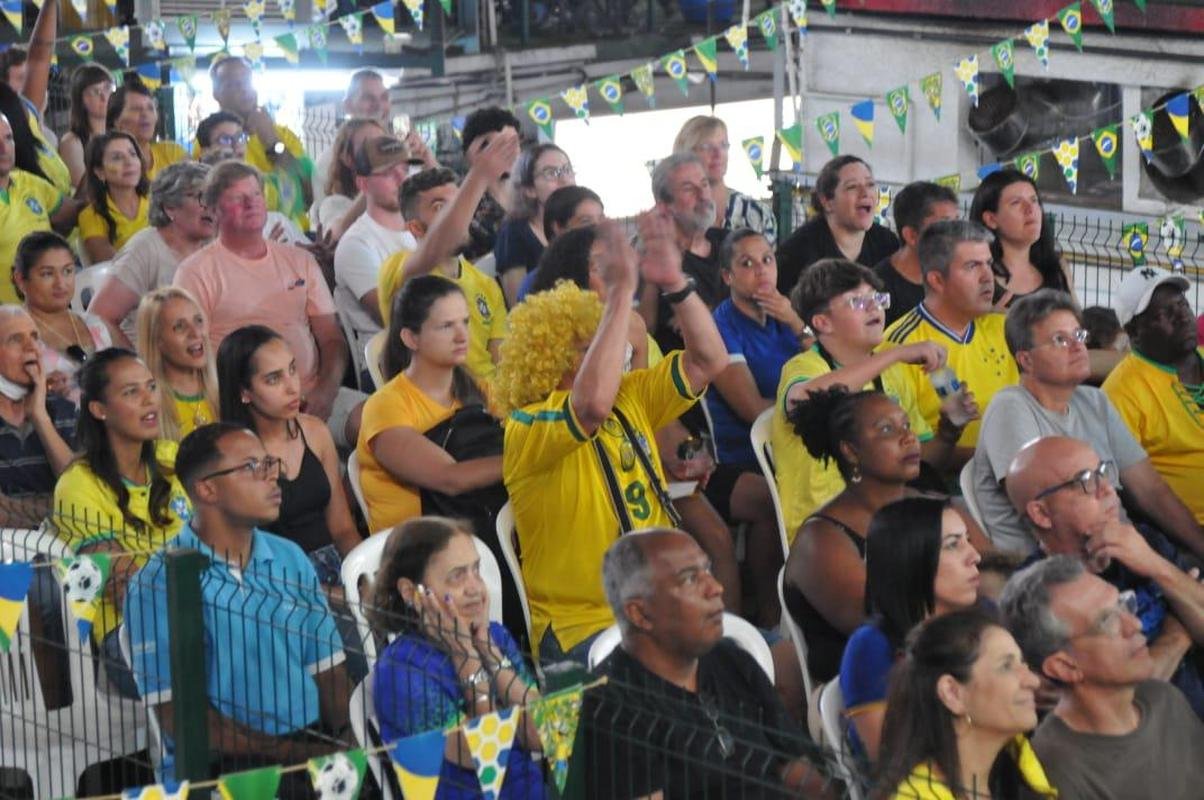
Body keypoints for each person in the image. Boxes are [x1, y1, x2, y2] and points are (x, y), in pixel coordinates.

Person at [496, 212, 729, 664]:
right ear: (553, 356)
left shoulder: (631, 397)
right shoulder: (526, 426)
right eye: (594, 344)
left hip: (662, 607)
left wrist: (674, 282)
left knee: (754, 666)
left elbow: (708, 361)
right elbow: (589, 407)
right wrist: (623, 291)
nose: (617, 349)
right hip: (584, 629)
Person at [123, 422, 350, 787]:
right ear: (207, 488)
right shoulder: (158, 584)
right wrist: (293, 756)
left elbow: (330, 673)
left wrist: (347, 742)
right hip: (220, 767)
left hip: (310, 744)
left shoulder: (289, 557)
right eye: (252, 467)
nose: (272, 478)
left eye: (269, 464)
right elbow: (182, 719)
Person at [584, 529, 831, 799]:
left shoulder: (732, 660)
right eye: (690, 578)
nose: (715, 587)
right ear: (640, 613)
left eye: (707, 570)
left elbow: (797, 770)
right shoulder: (608, 705)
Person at [973, 290, 1204, 557]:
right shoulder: (1011, 407)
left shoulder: (1094, 401)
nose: (1078, 346)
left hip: (1121, 551)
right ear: (1026, 360)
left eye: (1079, 335)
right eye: (1060, 340)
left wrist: (1199, 545)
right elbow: (1053, 518)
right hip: (1057, 570)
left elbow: (1151, 490)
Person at [1005, 436, 1204, 716]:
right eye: (1085, 481)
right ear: (1042, 513)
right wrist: (1179, 635)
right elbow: (1118, 708)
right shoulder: (1038, 596)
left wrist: (1155, 565)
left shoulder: (1144, 542)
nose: (1107, 489)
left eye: (1102, 472)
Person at [771, 259, 961, 538]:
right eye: (858, 301)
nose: (875, 307)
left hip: (885, 514)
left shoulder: (891, 372)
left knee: (960, 521)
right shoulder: (805, 368)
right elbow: (802, 401)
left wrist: (949, 430)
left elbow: (921, 461)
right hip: (822, 528)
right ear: (823, 322)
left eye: (877, 298)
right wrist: (893, 354)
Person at [173, 161, 358, 445]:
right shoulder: (196, 272)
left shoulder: (300, 261)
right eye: (237, 198)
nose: (252, 203)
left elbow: (332, 338)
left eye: (256, 194)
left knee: (381, 424)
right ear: (212, 211)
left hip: (311, 395)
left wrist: (326, 390)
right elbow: (189, 356)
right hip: (244, 407)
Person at [369, 516, 545, 799]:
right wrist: (467, 657)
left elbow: (543, 736)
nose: (475, 587)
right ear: (410, 593)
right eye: (457, 576)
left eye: (476, 570)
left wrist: (488, 650)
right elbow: (485, 758)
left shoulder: (495, 637)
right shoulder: (400, 670)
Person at [1001, 556, 1204, 800]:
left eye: (1123, 603)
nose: (1135, 624)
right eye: (1108, 621)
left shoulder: (1163, 698)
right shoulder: (1054, 775)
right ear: (1064, 666)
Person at [52, 348, 191, 693]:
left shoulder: (172, 457)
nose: (149, 400)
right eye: (131, 392)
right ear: (99, 410)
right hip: (130, 632)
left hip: (207, 610)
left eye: (150, 387)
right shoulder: (78, 485)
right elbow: (127, 590)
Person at [782, 386, 930, 684]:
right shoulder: (821, 541)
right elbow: (888, 626)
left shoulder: (930, 504)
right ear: (851, 450)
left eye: (906, 425)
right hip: (877, 690)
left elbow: (1001, 572)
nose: (908, 437)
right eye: (887, 430)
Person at [840, 497, 981, 762]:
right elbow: (890, 761)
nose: (975, 556)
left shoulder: (985, 620)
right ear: (912, 557)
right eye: (953, 545)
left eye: (968, 540)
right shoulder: (871, 647)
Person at [216, 325, 361, 583]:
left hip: (334, 568)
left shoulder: (315, 431)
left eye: (292, 369)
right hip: (279, 584)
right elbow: (248, 561)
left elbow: (343, 528)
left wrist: (363, 581)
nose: (292, 387)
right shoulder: (233, 458)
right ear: (244, 392)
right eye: (273, 379)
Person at [358, 276, 500, 534]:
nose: (462, 336)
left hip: (475, 532)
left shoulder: (479, 390)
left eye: (465, 322)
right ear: (411, 338)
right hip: (415, 554)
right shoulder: (386, 406)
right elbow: (451, 478)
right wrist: (530, 458)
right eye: (446, 326)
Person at [875, 609, 1054, 800]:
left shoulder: (1016, 766)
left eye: (1023, 663)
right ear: (953, 694)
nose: (1033, 681)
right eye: (1006, 667)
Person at [376, 146, 515, 384]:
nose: (458, 215)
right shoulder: (401, 268)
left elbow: (502, 365)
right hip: (436, 407)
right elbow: (436, 247)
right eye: (441, 208)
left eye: (458, 205)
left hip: (492, 407)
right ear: (416, 228)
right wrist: (479, 176)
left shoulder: (486, 285)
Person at [879, 219, 1019, 452]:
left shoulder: (1005, 328)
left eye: (988, 264)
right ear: (937, 280)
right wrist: (997, 462)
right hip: (944, 484)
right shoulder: (900, 346)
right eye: (973, 266)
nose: (988, 277)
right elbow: (905, 453)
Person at [1102, 267, 1204, 527]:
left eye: (1182, 305)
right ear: (1134, 332)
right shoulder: (1121, 393)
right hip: (1187, 532)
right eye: (1164, 314)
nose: (1182, 317)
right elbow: (1134, 493)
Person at [706, 228, 805, 465]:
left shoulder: (786, 311)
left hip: (801, 441)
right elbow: (755, 410)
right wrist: (817, 401)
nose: (761, 270)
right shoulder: (720, 327)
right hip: (752, 459)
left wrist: (795, 322)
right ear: (728, 276)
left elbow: (830, 364)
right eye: (747, 263)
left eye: (767, 259)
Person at [90, 162, 214, 347]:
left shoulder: (214, 245)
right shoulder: (145, 249)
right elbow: (99, 317)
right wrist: (138, 367)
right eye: (200, 197)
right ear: (170, 207)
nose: (211, 206)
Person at [639, 152, 729, 354]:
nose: (703, 195)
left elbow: (759, 309)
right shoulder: (653, 254)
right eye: (689, 188)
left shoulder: (730, 242)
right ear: (665, 204)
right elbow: (643, 330)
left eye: (704, 184)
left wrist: (698, 316)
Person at [209, 56, 313, 232]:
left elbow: (308, 193)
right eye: (233, 84)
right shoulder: (213, 139)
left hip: (297, 237)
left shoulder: (282, 134)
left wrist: (272, 141)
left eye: (247, 80)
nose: (244, 89)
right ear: (217, 95)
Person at [776, 156, 899, 294]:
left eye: (870, 185)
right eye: (852, 187)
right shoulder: (797, 252)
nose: (865, 193)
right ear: (827, 202)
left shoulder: (887, 243)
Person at [333, 135, 416, 338]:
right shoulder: (356, 244)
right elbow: (394, 317)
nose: (402, 180)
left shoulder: (422, 227)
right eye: (388, 173)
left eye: (405, 169)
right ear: (363, 184)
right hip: (388, 362)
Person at [14, 231, 112, 401]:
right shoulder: (10, 335)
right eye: (47, 274)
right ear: (21, 280)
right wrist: (38, 390)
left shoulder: (94, 324)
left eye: (67, 271)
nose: (60, 283)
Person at [0, 306, 74, 524]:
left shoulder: (64, 411)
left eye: (35, 337)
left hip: (66, 549)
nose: (31, 347)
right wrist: (55, 510)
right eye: (15, 339)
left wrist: (40, 417)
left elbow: (83, 496)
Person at [0, 113, 80, 304]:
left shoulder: (28, 182)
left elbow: (74, 213)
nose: (3, 148)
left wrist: (97, 176)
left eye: (8, 138)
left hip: (52, 308)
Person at [968, 170, 1071, 309]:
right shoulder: (976, 275)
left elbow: (1079, 327)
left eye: (1034, 200)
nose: (1030, 209)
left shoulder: (1057, 269)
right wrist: (988, 324)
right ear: (991, 219)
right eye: (1016, 202)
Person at [674, 115, 777, 244]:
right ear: (686, 155)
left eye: (723, 145)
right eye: (706, 147)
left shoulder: (756, 212)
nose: (718, 154)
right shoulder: (671, 215)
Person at [494, 143, 575, 306]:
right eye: (551, 173)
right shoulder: (513, 232)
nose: (565, 180)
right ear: (529, 189)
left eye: (567, 170)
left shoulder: (581, 223)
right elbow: (518, 307)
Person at [134, 287, 219, 442]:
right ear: (156, 340)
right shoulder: (148, 408)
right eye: (180, 326)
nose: (196, 333)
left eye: (198, 321)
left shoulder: (226, 392)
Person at [872, 181, 959, 327]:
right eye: (945, 226)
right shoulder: (877, 289)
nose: (958, 233)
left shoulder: (958, 276)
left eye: (958, 223)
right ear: (912, 236)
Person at [311, 69, 393, 212]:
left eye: (384, 97)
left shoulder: (397, 154)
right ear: (348, 106)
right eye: (368, 98)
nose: (379, 105)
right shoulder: (328, 163)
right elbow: (334, 229)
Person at [78, 130, 151, 263]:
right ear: (100, 172)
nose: (129, 162)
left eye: (133, 154)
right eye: (117, 157)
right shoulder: (92, 216)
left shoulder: (159, 202)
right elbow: (111, 264)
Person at [459, 106, 520, 260]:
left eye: (512, 143)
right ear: (469, 155)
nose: (505, 151)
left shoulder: (531, 196)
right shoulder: (461, 206)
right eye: (488, 145)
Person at [309, 117, 386, 232]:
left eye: (384, 143)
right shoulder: (333, 204)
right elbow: (335, 234)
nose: (381, 151)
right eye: (369, 146)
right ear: (348, 158)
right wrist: (375, 183)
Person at [106, 77, 186, 183]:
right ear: (116, 121)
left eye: (150, 108)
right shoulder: (109, 166)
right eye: (136, 109)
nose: (145, 114)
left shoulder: (173, 153)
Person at [58, 64, 114, 189]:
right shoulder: (72, 142)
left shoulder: (121, 134)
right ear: (81, 100)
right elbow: (84, 192)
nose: (104, 97)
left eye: (107, 88)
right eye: (95, 91)